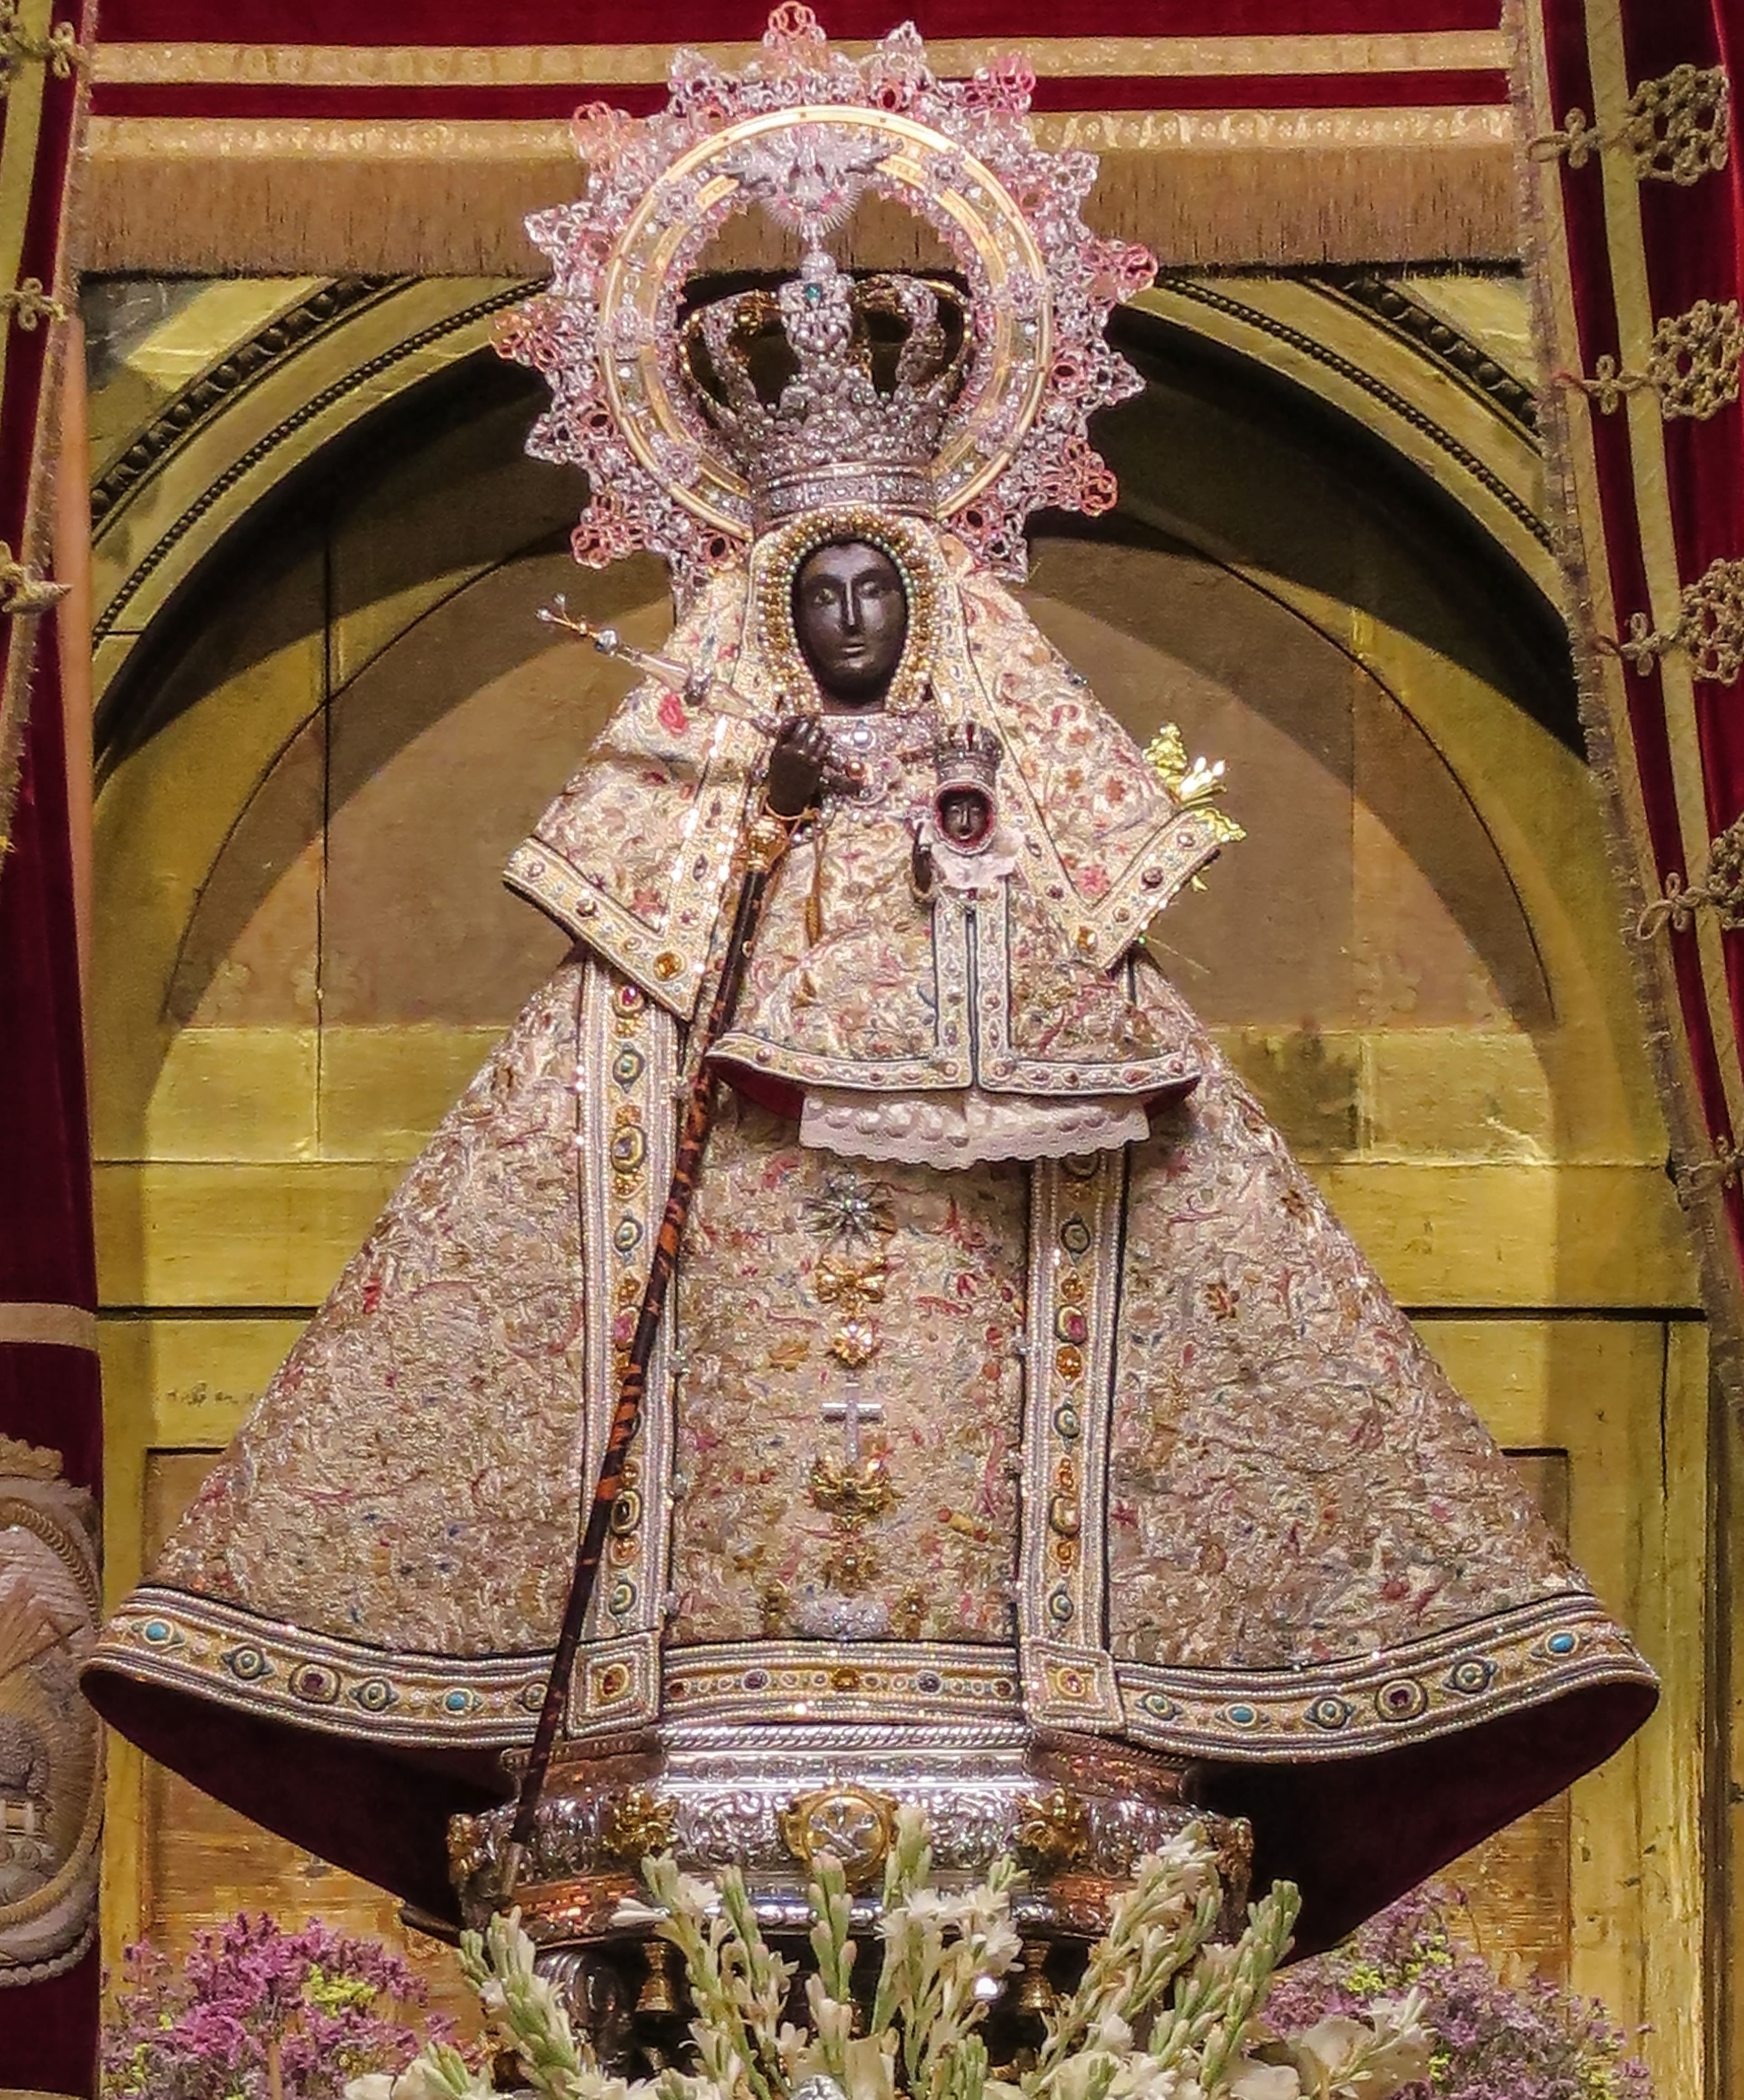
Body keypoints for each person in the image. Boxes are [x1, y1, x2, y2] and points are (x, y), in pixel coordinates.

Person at [84, 14, 1653, 1955]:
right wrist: (750, 807)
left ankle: (1029, 1671)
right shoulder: (687, 840)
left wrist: (973, 880)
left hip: (987, 1307)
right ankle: (681, 1671)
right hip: (735, 1275)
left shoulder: (1008, 809)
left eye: (875, 597)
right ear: (764, 618)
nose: (843, 622)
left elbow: (1109, 1019)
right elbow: (599, 1041)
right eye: (812, 597)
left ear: (931, 615)